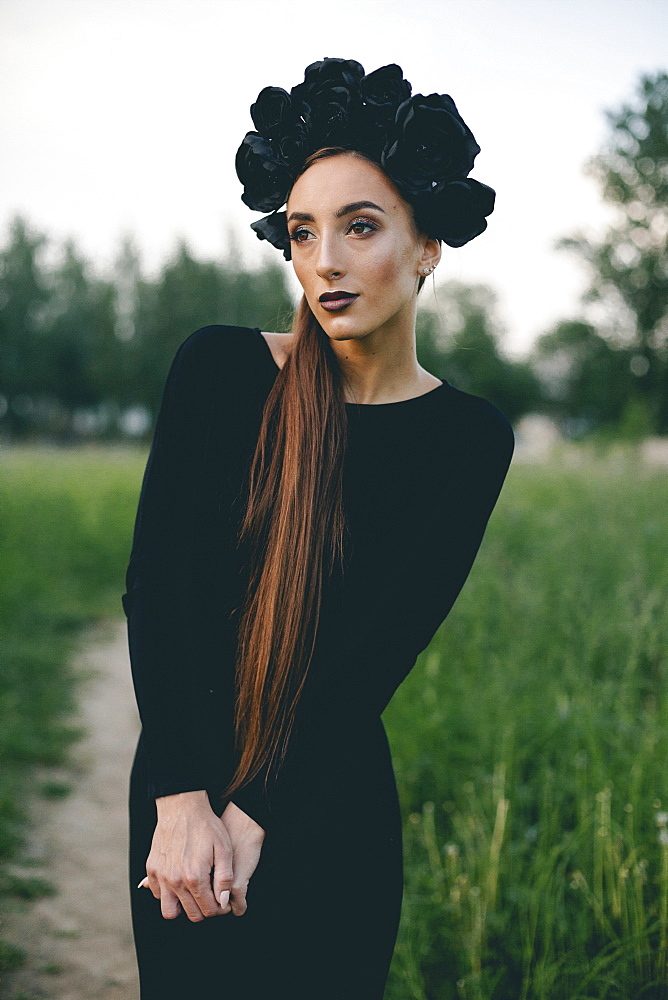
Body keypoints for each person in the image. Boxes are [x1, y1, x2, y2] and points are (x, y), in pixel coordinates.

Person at [122, 57, 514, 999]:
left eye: (361, 226)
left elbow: (379, 649)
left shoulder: (468, 439)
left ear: (428, 248)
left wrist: (260, 815)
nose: (325, 260)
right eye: (303, 232)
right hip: (183, 797)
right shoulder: (219, 373)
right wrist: (184, 802)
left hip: (326, 797)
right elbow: (159, 588)